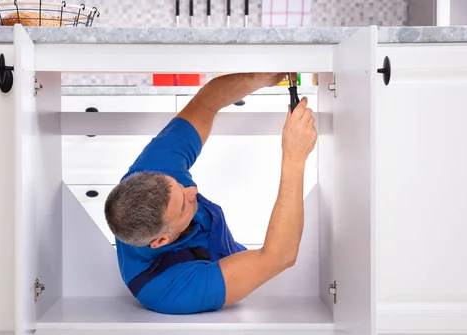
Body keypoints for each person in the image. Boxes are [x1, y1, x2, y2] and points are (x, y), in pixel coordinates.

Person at [104, 72, 317, 315]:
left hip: (229, 249)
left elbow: (207, 101)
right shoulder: (167, 288)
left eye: (178, 184)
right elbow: (279, 257)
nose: (192, 190)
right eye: (184, 205)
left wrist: (260, 78)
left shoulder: (152, 174)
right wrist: (294, 157)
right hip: (229, 277)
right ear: (162, 240)